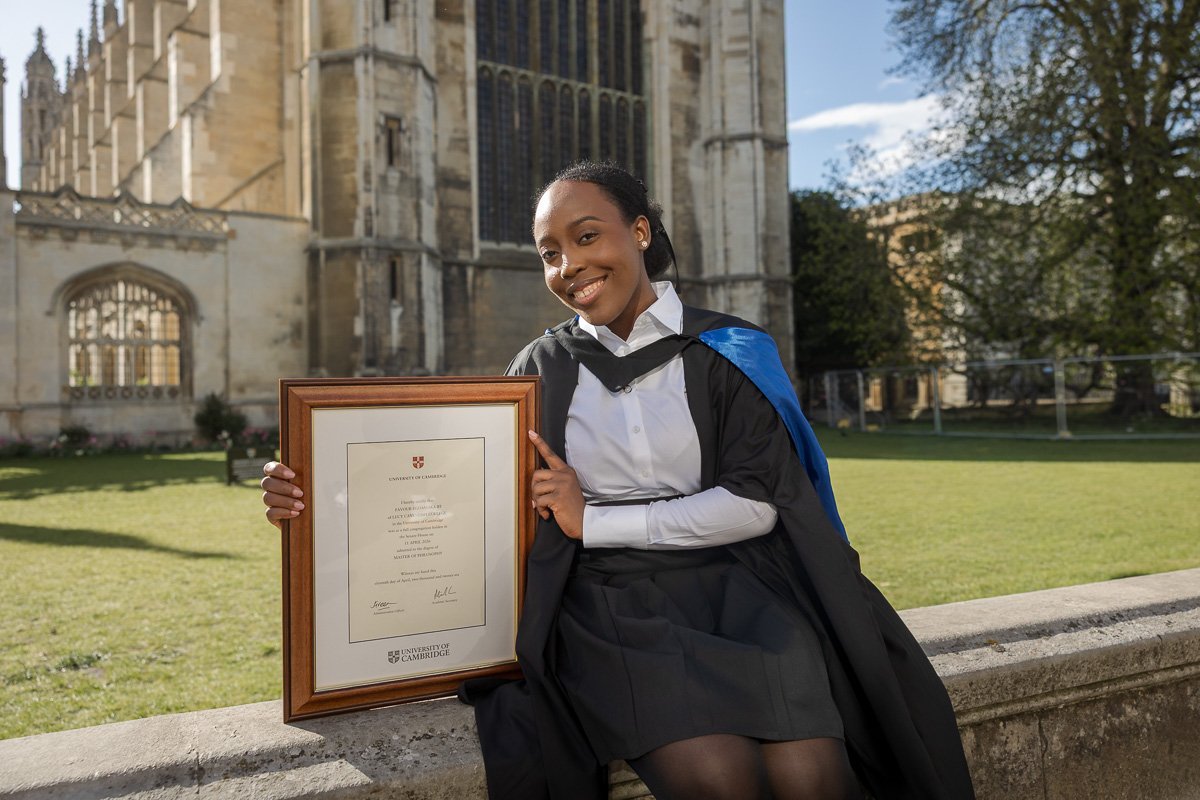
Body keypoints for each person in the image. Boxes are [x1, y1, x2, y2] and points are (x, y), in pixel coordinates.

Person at [262, 161, 975, 800]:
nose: (568, 265)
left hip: (744, 591)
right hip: (610, 604)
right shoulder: (539, 368)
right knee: (718, 779)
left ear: (639, 231)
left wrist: (592, 518)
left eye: (586, 237)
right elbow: (463, 492)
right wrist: (322, 497)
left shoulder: (730, 350)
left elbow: (757, 502)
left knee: (810, 776)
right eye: (549, 253)